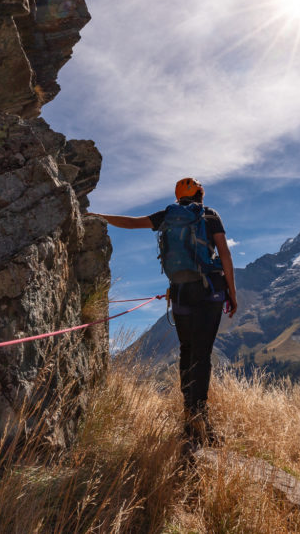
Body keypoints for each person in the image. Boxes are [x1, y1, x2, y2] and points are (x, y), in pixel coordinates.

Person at [91, 177, 238, 446]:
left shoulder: (167, 215)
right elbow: (225, 254)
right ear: (200, 195)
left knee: (186, 350)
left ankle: (187, 414)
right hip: (208, 290)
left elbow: (132, 222)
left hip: (180, 291)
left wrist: (100, 216)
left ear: (178, 196)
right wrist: (232, 293)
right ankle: (199, 419)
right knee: (202, 354)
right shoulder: (209, 215)